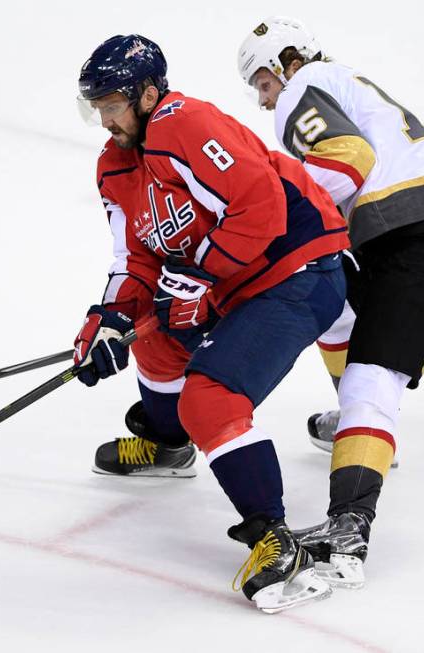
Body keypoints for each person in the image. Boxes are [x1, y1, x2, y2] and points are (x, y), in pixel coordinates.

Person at [71, 34, 350, 612]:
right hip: (232, 285)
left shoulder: (184, 123)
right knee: (149, 340)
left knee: (211, 398)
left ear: (148, 96)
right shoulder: (115, 166)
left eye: (112, 106)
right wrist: (109, 319)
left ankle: (275, 539)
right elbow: (136, 259)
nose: (105, 121)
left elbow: (262, 207)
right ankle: (171, 448)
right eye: (96, 108)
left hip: (299, 269)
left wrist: (198, 275)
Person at [237, 16, 424, 588]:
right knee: (333, 301)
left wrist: (266, 209)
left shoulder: (302, 87)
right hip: (421, 229)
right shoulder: (343, 79)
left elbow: (348, 160)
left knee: (371, 380)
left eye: (262, 83)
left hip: (420, 238)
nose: (263, 100)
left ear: (286, 62)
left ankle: (349, 524)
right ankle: (354, 424)